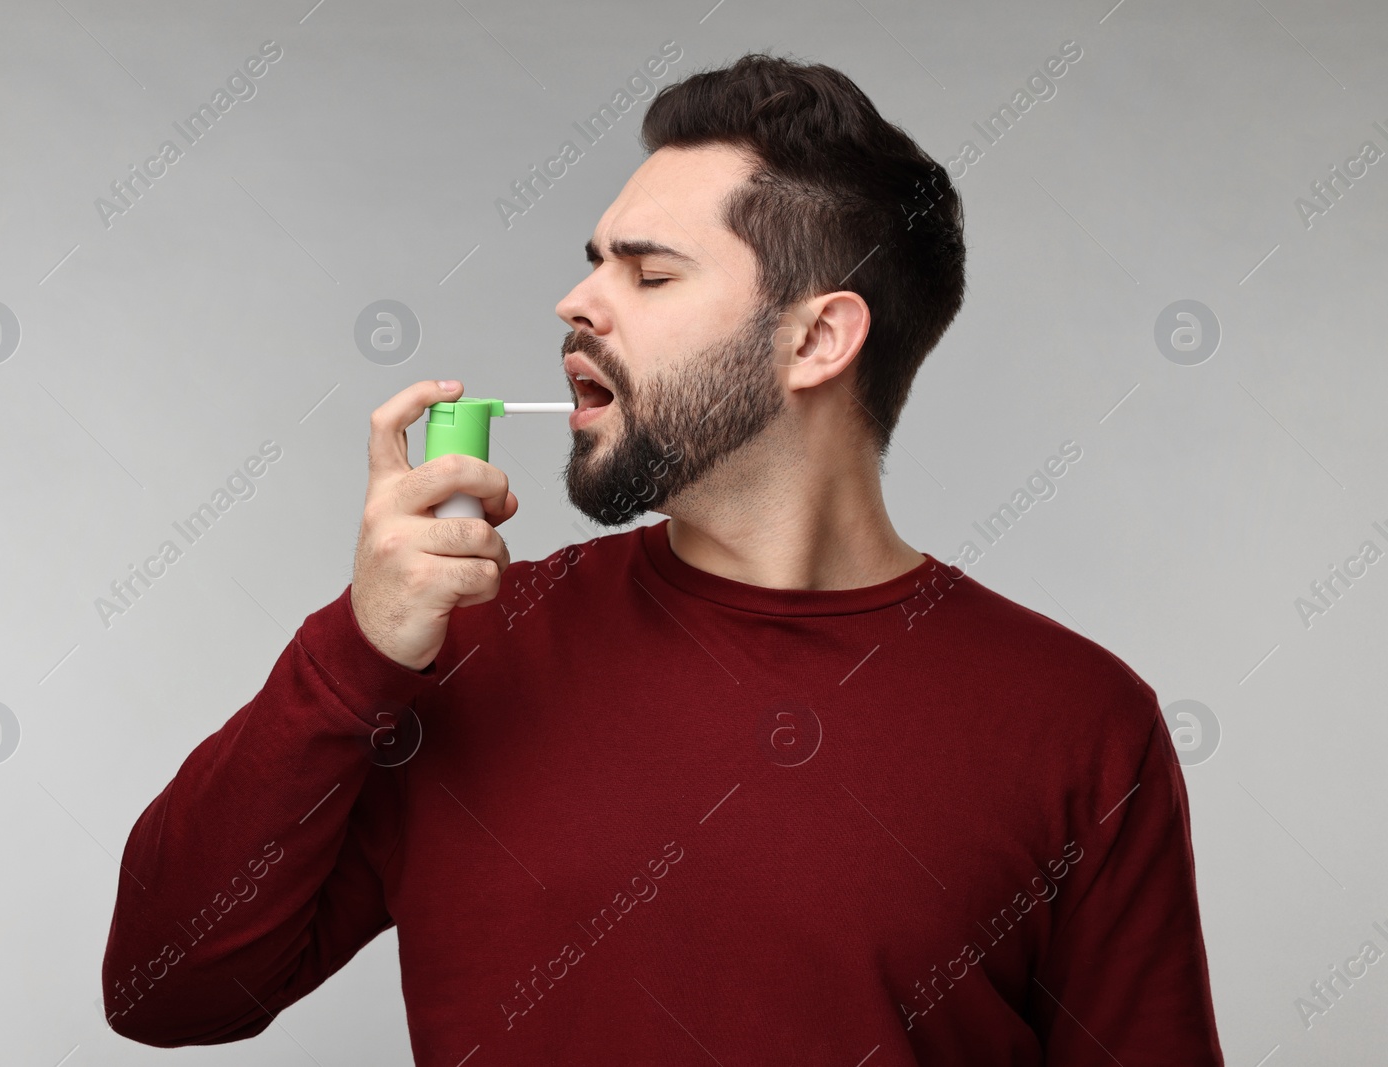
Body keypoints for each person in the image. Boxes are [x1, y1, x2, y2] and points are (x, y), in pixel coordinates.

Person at [102, 53, 1224, 1065]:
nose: (575, 301)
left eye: (646, 275)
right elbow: (164, 990)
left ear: (817, 338)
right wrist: (353, 654)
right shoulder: (464, 652)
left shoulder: (1076, 723)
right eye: (594, 263)